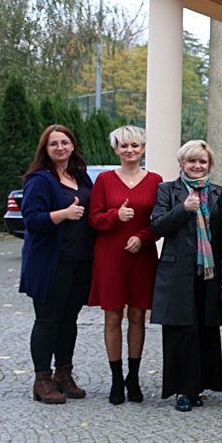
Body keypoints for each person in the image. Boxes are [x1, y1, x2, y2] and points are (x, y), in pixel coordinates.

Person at [150, 140, 222, 412]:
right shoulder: (167, 190)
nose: (197, 166)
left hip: (208, 272)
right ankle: (181, 390)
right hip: (178, 272)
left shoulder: (218, 193)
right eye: (192, 161)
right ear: (182, 163)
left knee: (205, 330)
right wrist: (183, 209)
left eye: (202, 161)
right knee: (181, 331)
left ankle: (198, 386)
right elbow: (157, 226)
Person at [21, 125, 95, 404]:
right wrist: (63, 214)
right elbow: (32, 220)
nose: (60, 147)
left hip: (80, 261)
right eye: (54, 144)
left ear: (73, 145)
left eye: (65, 142)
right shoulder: (39, 179)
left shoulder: (80, 176)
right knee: (48, 320)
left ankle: (64, 375)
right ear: (45, 149)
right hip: (51, 264)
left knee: (69, 319)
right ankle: (42, 380)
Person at [88, 125, 162, 404]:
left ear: (143, 149)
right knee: (112, 316)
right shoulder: (104, 180)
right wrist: (115, 217)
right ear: (116, 149)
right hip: (110, 255)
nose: (130, 150)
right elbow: (93, 218)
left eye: (135, 145)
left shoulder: (155, 180)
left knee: (138, 315)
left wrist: (142, 238)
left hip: (141, 255)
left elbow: (159, 222)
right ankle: (116, 378)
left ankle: (134, 376)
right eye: (124, 145)